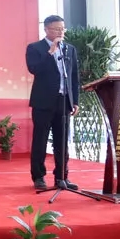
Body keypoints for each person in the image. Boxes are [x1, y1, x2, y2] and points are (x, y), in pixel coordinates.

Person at [26, 15, 80, 191]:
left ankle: (61, 177)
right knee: (40, 140)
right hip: (43, 102)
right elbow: (34, 69)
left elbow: (74, 77)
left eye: (63, 28)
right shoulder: (35, 48)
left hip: (63, 101)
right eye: (57, 29)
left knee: (62, 141)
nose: (60, 32)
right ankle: (38, 176)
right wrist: (50, 52)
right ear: (46, 29)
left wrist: (75, 101)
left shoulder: (70, 49)